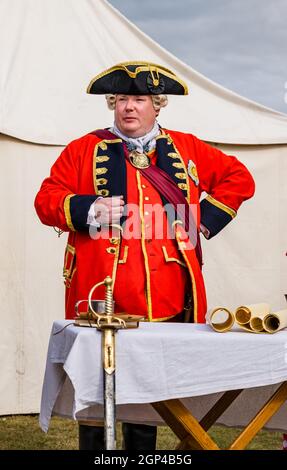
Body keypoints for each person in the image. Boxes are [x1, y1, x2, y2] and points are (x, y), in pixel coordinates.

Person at [35, 62, 255, 450]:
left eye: (138, 99)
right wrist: (88, 209)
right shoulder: (84, 149)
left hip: (166, 299)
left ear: (158, 105)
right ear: (112, 105)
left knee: (144, 401)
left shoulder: (186, 147)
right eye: (120, 100)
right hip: (100, 297)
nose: (128, 108)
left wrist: (203, 219)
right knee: (96, 393)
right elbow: (46, 200)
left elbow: (239, 178)